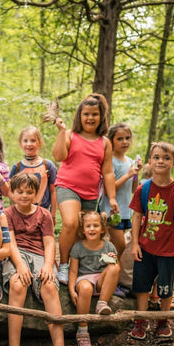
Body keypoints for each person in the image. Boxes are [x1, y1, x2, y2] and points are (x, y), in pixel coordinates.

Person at [1, 173, 72, 346]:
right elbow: (11, 244)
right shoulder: (7, 214)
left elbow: (50, 243)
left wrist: (49, 265)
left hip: (40, 255)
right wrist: (20, 266)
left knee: (49, 285)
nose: (24, 195)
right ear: (12, 193)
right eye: (19, 191)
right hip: (16, 255)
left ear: (36, 194)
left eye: (29, 192)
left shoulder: (44, 215)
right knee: (17, 283)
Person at [129, 142, 174, 340]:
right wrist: (134, 244)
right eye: (156, 157)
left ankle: (163, 321)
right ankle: (141, 320)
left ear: (173, 162)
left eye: (166, 158)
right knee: (141, 286)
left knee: (166, 287)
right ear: (150, 162)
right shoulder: (144, 189)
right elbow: (137, 217)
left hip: (169, 250)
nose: (161, 161)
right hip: (145, 247)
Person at [51, 93, 119, 285]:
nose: (90, 118)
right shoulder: (71, 135)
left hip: (90, 193)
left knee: (83, 232)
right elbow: (58, 156)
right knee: (71, 223)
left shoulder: (105, 142)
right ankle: (63, 265)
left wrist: (112, 198)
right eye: (86, 114)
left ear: (101, 117)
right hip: (67, 186)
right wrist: (62, 132)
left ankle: (78, 269)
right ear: (79, 116)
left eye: (95, 114)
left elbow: (107, 172)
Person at [68, 211, 120, 346]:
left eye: (96, 225)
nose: (92, 229)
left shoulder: (108, 246)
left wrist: (113, 259)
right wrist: (72, 289)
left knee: (115, 267)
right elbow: (73, 271)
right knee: (85, 288)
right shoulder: (78, 247)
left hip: (101, 280)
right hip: (84, 279)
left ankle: (102, 303)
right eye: (88, 226)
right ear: (83, 230)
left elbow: (115, 269)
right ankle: (82, 330)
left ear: (102, 229)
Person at [99, 123, 142, 263]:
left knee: (114, 246)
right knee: (120, 246)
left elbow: (133, 189)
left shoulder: (129, 161)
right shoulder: (110, 161)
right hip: (112, 211)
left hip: (125, 211)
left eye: (127, 138)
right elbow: (109, 188)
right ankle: (104, 265)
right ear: (111, 141)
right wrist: (128, 174)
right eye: (120, 139)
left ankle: (106, 269)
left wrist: (135, 173)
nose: (125, 142)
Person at [9, 126, 58, 223]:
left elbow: (53, 191)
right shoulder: (17, 167)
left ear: (39, 143)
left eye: (33, 140)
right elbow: (10, 190)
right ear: (20, 143)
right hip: (22, 214)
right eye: (25, 141)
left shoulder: (47, 165)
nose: (29, 144)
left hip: (43, 212)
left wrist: (53, 214)